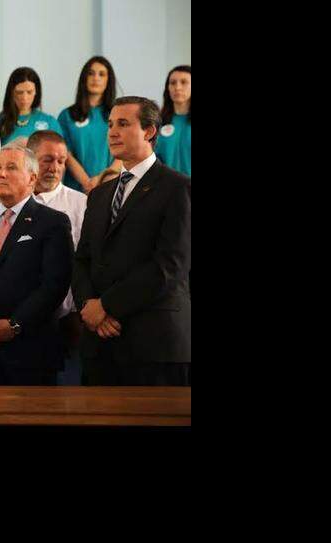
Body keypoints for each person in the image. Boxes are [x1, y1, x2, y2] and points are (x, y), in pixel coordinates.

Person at [73, 97, 191, 386]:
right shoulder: (100, 194)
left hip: (153, 343)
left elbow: (169, 265)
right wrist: (89, 307)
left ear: (149, 131)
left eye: (123, 124)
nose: (112, 132)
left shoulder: (178, 187)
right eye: (111, 124)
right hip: (99, 345)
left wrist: (107, 306)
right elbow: (82, 259)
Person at [0, 143, 73, 385]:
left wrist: (15, 324)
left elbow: (55, 285)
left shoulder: (53, 222)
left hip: (29, 352)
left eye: (11, 167)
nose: (1, 173)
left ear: (31, 178)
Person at [58, 56, 122, 193]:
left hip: (109, 187)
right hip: (75, 189)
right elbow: (66, 154)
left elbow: (124, 152)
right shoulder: (66, 115)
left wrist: (101, 179)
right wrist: (87, 182)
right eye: (91, 73)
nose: (96, 78)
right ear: (84, 78)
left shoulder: (118, 114)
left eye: (102, 74)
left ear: (108, 80)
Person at [0, 67, 60, 145]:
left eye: (29, 92)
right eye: (19, 92)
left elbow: (60, 153)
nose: (24, 98)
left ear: (36, 92)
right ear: (11, 93)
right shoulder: (0, 121)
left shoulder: (49, 122)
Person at [155, 65, 191, 176]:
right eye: (173, 83)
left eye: (184, 82)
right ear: (168, 88)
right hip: (167, 188)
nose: (177, 87)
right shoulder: (157, 122)